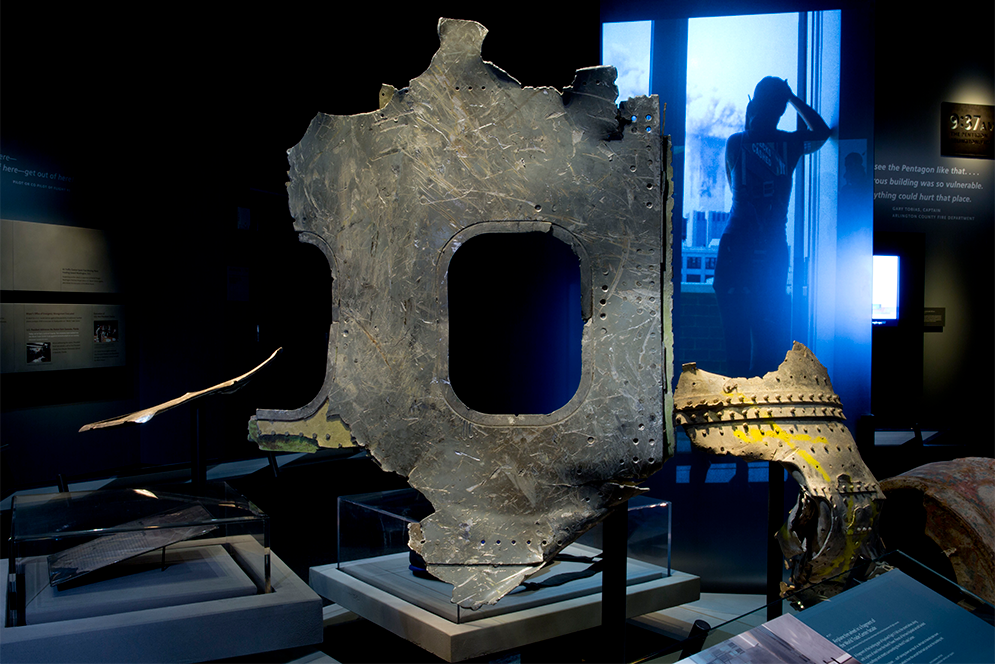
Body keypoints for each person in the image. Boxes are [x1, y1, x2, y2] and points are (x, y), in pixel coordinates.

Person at [712, 77, 831, 376]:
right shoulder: (789, 144)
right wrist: (792, 98)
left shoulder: (736, 142)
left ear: (754, 103)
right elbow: (821, 132)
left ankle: (735, 411)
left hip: (735, 247)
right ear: (780, 109)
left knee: (735, 343)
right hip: (772, 249)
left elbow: (733, 186)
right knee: (767, 344)